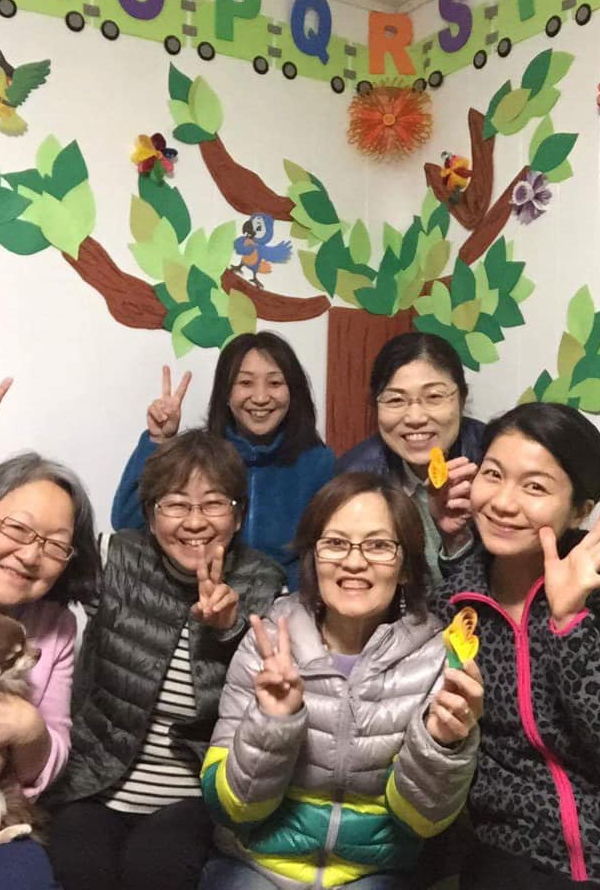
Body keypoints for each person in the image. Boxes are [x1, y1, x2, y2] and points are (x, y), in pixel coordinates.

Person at [198, 471, 483, 890]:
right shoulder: (271, 641)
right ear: (313, 557)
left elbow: (424, 822)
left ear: (406, 567)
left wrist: (439, 744)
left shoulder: (436, 657)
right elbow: (232, 809)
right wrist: (273, 724)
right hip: (257, 862)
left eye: (379, 545)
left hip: (371, 873)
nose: (353, 561)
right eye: (335, 543)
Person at [434, 402, 600, 889]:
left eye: (535, 486)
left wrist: (569, 622)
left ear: (580, 509)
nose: (502, 501)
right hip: (513, 853)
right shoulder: (456, 603)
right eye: (493, 474)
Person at [45, 428, 286, 890]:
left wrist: (229, 632)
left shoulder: (265, 586)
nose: (194, 521)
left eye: (214, 503)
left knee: (156, 869)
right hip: (93, 787)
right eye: (175, 504)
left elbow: (266, 713)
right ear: (152, 517)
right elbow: (24, 555)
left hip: (190, 799)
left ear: (238, 516)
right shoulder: (115, 560)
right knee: (80, 868)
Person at [0, 365, 99, 890]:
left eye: (56, 544)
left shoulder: (53, 627)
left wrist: (25, 725)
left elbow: (46, 763)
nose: (31, 554)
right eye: (17, 528)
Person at [112, 332, 335, 590]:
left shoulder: (319, 463)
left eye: (274, 383)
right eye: (245, 383)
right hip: (199, 599)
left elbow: (326, 551)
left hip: (280, 607)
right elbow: (128, 521)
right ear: (226, 393)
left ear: (293, 391)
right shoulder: (202, 454)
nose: (261, 397)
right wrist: (158, 439)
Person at [336, 332, 484, 582]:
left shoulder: (491, 460)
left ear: (461, 399)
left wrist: (457, 538)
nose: (415, 418)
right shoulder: (356, 475)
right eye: (395, 399)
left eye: (434, 397)